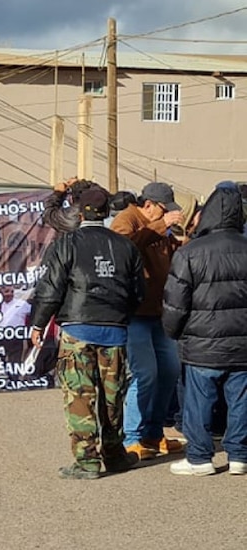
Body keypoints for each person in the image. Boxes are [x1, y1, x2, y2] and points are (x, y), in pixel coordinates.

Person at [29, 187, 145, 479]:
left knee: (80, 397)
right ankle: (115, 456)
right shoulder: (126, 247)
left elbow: (50, 288)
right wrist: (119, 315)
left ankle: (87, 462)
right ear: (107, 212)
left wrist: (38, 324)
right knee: (112, 397)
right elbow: (137, 293)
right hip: (115, 330)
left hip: (77, 330)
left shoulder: (66, 243)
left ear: (79, 213)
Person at [162, 186, 247, 476]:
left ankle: (199, 458)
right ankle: (239, 456)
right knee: (241, 399)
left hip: (201, 342)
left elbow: (175, 302)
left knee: (198, 401)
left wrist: (172, 332)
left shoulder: (190, 252)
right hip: (243, 342)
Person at [110, 181, 186, 460]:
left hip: (159, 311)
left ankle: (154, 433)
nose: (168, 216)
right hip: (136, 313)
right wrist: (158, 227)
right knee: (145, 374)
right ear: (149, 205)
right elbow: (122, 249)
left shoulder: (160, 227)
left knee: (169, 369)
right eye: (164, 210)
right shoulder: (126, 219)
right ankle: (132, 437)